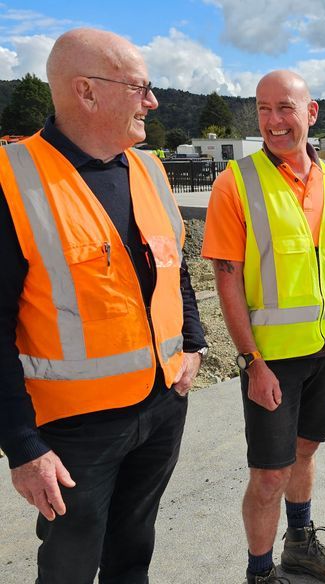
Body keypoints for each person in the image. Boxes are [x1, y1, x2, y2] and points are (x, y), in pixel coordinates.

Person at [0, 28, 207, 584]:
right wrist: (22, 447)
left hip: (162, 405)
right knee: (68, 566)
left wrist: (193, 341)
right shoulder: (12, 181)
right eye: (140, 87)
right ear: (86, 91)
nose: (154, 101)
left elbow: (175, 265)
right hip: (73, 432)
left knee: (132, 552)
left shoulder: (148, 169)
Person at [202, 70, 325, 584]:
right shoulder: (237, 182)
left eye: (284, 108)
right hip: (272, 358)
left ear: (312, 112)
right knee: (269, 473)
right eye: (263, 109)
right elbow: (226, 277)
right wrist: (250, 361)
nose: (273, 121)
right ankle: (259, 574)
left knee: (305, 452)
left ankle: (300, 544)